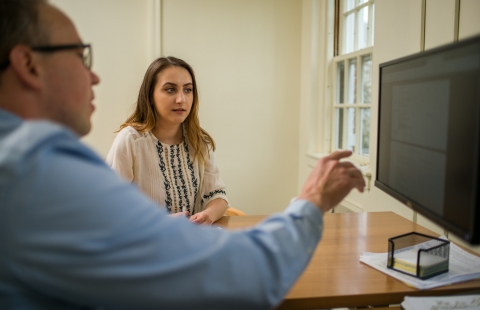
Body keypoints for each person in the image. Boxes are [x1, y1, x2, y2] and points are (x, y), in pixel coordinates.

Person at [0, 0, 365, 309]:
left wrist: (177, 226)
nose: (93, 77)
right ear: (28, 65)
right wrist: (312, 201)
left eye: (188, 90)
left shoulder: (198, 142)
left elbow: (207, 201)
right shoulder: (36, 166)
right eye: (81, 57)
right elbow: (244, 275)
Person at [106, 57, 228, 225]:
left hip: (191, 244)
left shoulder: (199, 142)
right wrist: (159, 222)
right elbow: (110, 209)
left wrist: (209, 214)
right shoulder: (130, 140)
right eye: (170, 90)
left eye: (187, 90)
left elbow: (217, 196)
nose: (181, 99)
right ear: (150, 96)